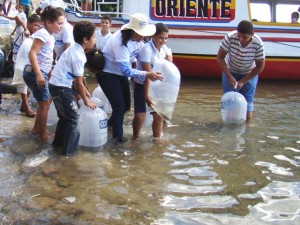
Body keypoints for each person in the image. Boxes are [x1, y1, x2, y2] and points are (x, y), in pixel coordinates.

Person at [96, 13, 163, 143]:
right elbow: (126, 70)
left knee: (126, 105)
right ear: (132, 30)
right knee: (119, 107)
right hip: (108, 74)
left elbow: (140, 57)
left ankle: (110, 125)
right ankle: (118, 139)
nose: (143, 37)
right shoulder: (121, 42)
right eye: (140, 33)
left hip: (120, 75)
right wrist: (147, 74)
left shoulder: (139, 39)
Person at [49, 21, 97, 156]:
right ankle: (68, 155)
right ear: (85, 39)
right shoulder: (78, 56)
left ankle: (57, 145)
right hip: (61, 88)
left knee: (66, 118)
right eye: (93, 37)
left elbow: (80, 80)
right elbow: (78, 83)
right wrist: (86, 100)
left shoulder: (76, 49)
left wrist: (86, 91)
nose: (95, 40)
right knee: (75, 119)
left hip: (56, 85)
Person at [23, 6, 65, 142]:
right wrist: (39, 74)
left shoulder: (49, 35)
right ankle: (42, 135)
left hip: (41, 72)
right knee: (44, 104)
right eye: (59, 23)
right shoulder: (42, 34)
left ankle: (37, 129)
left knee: (45, 101)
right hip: (35, 73)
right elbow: (32, 53)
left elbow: (46, 56)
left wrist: (49, 72)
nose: (61, 26)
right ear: (48, 22)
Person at [217, 20, 265, 121]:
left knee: (248, 102)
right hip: (230, 71)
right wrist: (229, 76)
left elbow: (260, 66)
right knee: (229, 101)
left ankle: (246, 128)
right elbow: (220, 58)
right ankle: (229, 127)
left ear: (252, 34)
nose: (241, 39)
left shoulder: (258, 43)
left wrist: (243, 81)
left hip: (249, 73)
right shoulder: (230, 37)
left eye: (244, 37)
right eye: (239, 36)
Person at [132, 22, 172, 139]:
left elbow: (168, 52)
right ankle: (135, 138)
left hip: (158, 87)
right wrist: (146, 96)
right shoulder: (146, 49)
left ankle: (156, 140)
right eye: (161, 38)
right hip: (142, 85)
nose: (163, 41)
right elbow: (148, 75)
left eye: (166, 38)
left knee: (158, 116)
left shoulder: (164, 49)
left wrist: (170, 56)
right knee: (140, 117)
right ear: (153, 36)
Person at [11, 14, 40, 117]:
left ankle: (24, 105)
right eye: (35, 25)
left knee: (27, 87)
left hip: (25, 63)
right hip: (20, 63)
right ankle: (27, 109)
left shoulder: (34, 37)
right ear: (28, 24)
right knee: (23, 86)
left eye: (38, 26)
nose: (36, 28)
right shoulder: (26, 35)